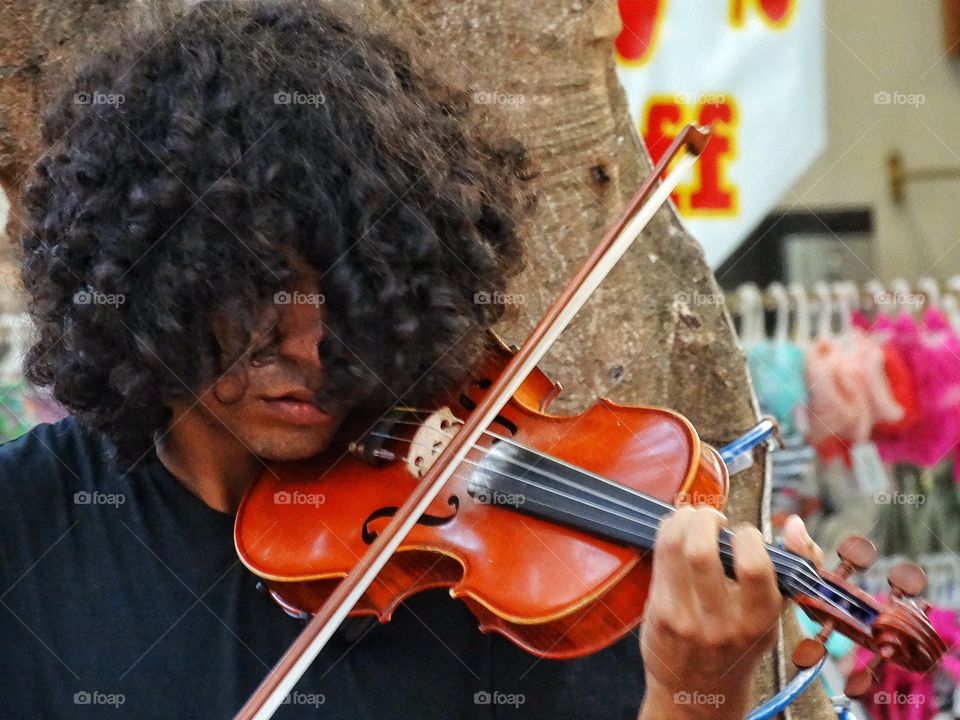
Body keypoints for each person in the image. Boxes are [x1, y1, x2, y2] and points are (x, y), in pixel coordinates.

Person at [0, 1, 823, 717]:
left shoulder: (503, 574)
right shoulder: (23, 528)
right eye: (258, 286)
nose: (317, 343)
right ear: (153, 281)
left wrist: (693, 695)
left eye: (356, 287)